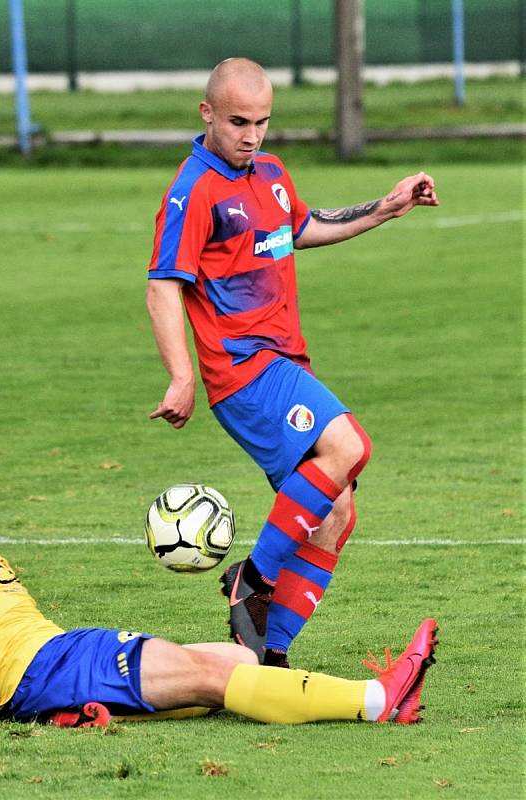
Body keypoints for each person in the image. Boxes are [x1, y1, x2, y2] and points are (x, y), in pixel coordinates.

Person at [146, 58, 439, 667]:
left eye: (262, 122)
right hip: (243, 370)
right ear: (207, 115)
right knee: (349, 445)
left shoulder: (271, 173)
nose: (252, 135)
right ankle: (249, 580)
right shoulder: (192, 190)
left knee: (334, 514)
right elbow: (163, 285)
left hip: (285, 364)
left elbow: (303, 226)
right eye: (237, 122)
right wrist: (181, 375)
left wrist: (385, 208)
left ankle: (267, 655)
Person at [0, 413, 439, 727]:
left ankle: (75, 713)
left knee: (239, 658)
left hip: (49, 664)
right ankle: (374, 699)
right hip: (42, 668)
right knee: (214, 678)